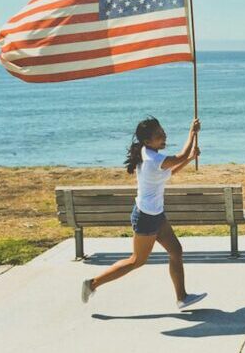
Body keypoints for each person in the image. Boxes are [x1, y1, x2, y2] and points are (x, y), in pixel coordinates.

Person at [81, 116, 207, 310]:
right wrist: (192, 132)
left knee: (176, 251)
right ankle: (92, 284)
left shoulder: (148, 153)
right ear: (147, 141)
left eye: (162, 132)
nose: (163, 136)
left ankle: (182, 297)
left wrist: (190, 158)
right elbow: (179, 157)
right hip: (146, 218)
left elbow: (170, 171)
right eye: (158, 135)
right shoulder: (152, 158)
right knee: (136, 261)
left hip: (156, 215)